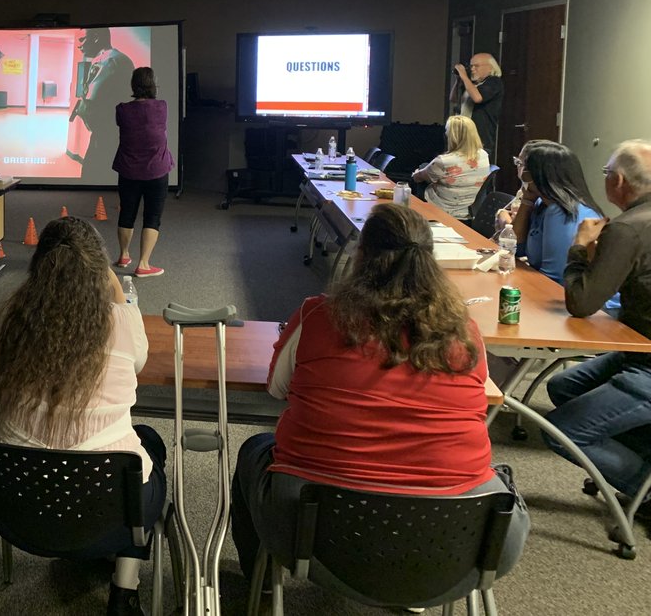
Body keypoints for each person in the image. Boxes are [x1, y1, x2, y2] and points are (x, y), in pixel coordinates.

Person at [230, 204, 528, 602]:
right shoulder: (464, 332)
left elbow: (277, 389)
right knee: (497, 479)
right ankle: (416, 592)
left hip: (312, 531)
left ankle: (262, 583)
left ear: (361, 255)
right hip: (460, 541)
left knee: (255, 449)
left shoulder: (319, 316)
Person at [0, 217, 166, 616]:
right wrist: (120, 294)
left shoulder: (8, 315)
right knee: (149, 445)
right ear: (99, 269)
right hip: (108, 508)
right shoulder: (118, 320)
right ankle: (124, 588)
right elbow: (138, 361)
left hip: (17, 505)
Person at [544, 140, 651, 496]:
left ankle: (642, 487)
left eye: (606, 173)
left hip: (647, 365)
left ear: (618, 181)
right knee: (563, 386)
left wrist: (580, 247)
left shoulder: (627, 229)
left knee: (560, 433)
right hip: (635, 348)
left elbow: (582, 302)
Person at [507, 142, 607, 283]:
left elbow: (554, 279)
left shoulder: (562, 212)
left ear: (529, 175)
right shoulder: (541, 203)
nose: (519, 171)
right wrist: (526, 201)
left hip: (580, 299)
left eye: (519, 163)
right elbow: (516, 249)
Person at [112, 66, 173, 277]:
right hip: (157, 171)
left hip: (128, 171)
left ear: (133, 85)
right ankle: (144, 265)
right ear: (153, 84)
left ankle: (123, 255)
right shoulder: (162, 107)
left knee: (127, 213)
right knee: (152, 217)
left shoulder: (122, 110)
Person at [68, 28, 134, 181]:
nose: (80, 45)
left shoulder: (109, 60)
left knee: (94, 177)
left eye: (82, 40)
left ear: (96, 38)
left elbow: (91, 103)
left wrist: (86, 113)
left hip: (107, 135)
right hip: (109, 133)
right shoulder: (107, 58)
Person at [411, 115, 491, 220]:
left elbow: (417, 178)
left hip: (442, 209)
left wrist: (417, 172)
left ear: (452, 136)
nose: (445, 133)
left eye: (447, 131)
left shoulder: (444, 161)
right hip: (469, 210)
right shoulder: (484, 155)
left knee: (422, 172)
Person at [451, 52, 503, 158]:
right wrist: (458, 80)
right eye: (471, 66)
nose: (472, 69)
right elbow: (453, 99)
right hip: (462, 135)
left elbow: (478, 98)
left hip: (479, 138)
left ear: (490, 67)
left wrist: (464, 76)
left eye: (476, 66)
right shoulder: (472, 84)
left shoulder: (494, 82)